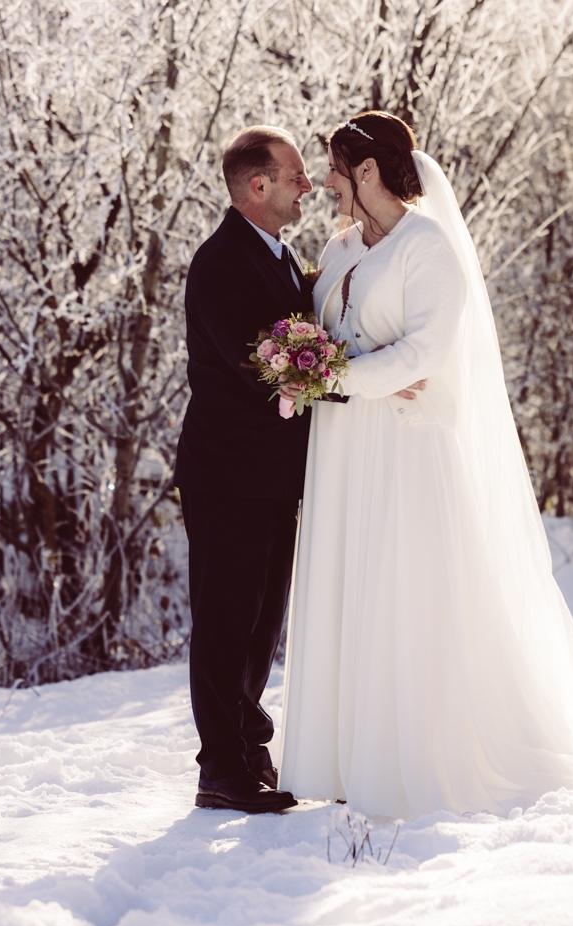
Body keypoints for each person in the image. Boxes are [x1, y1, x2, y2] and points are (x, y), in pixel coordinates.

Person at [278, 111, 573, 818]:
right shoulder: (341, 246)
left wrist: (337, 376)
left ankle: (412, 758)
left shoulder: (427, 247)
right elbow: (335, 337)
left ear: (368, 171)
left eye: (337, 172)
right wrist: (313, 364)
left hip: (404, 449)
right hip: (343, 451)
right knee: (349, 584)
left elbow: (423, 354)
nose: (325, 185)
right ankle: (342, 757)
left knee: (398, 587)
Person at [173, 126, 313, 814]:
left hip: (272, 477)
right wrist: (352, 379)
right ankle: (219, 768)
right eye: (296, 177)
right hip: (226, 475)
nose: (308, 187)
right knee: (227, 619)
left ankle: (250, 747)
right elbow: (259, 358)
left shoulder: (283, 256)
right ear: (258, 187)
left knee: (262, 622)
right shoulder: (222, 261)